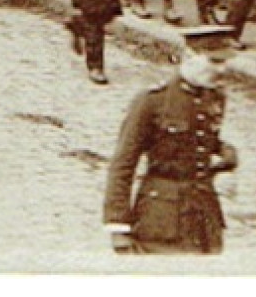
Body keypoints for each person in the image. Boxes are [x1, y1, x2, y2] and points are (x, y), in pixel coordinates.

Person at [103, 26, 240, 254]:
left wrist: (226, 152)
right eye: (214, 61)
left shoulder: (215, 97)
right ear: (189, 56)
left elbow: (202, 139)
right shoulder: (153, 101)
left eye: (224, 63)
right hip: (161, 218)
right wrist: (118, 227)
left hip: (204, 217)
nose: (222, 70)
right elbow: (123, 164)